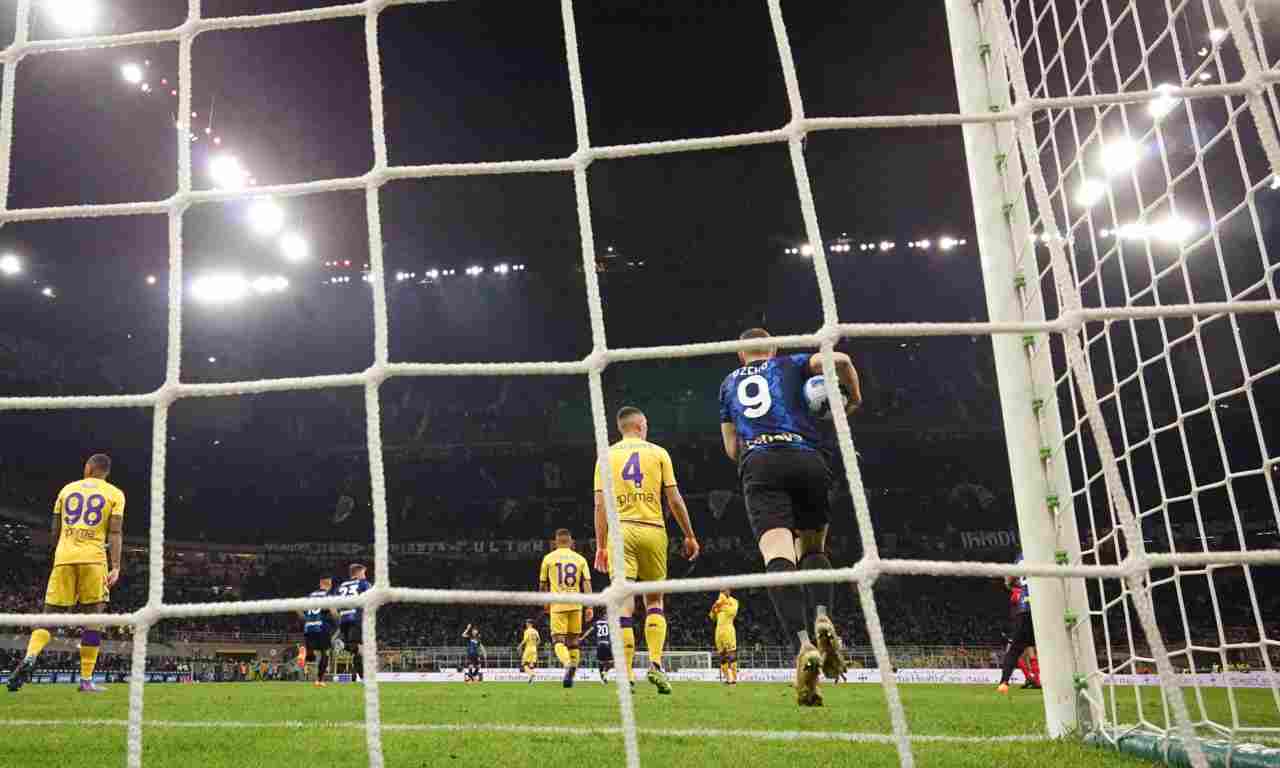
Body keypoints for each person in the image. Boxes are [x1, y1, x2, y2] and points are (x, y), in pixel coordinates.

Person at [718, 329, 861, 706]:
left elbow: (731, 447)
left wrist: (756, 457)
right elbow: (841, 361)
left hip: (760, 461)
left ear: (739, 354)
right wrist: (854, 398)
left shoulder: (728, 384)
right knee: (814, 548)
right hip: (807, 456)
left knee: (778, 556)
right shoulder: (791, 364)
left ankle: (802, 646)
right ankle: (822, 615)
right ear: (774, 348)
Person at [593, 406, 699, 695]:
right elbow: (675, 500)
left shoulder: (606, 456)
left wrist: (601, 545)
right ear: (641, 425)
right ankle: (655, 664)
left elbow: (600, 505)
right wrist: (689, 535)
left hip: (620, 531)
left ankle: (626, 674)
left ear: (621, 428)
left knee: (624, 603)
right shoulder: (659, 453)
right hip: (653, 530)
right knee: (655, 601)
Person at [8, 454, 124, 694]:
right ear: (106, 472)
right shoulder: (115, 493)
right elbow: (115, 532)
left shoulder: (67, 489)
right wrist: (116, 565)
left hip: (64, 558)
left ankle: (31, 656)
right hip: (93, 560)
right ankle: (85, 679)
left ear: (88, 468)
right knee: (94, 621)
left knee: (49, 617)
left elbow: (55, 529)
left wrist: (58, 554)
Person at [540, 529, 593, 688]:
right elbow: (587, 583)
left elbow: (543, 584)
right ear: (571, 542)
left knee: (558, 641)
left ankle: (567, 664)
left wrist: (545, 603)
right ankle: (572, 672)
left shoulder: (548, 558)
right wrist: (589, 606)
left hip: (558, 603)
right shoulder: (580, 559)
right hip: (576, 604)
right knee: (574, 643)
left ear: (556, 542)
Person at [998, 554, 1040, 693]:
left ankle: (1008, 681)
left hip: (1023, 614)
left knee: (1016, 651)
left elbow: (1009, 581)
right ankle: (1033, 678)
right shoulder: (1040, 553)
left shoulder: (1017, 592)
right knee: (1031, 651)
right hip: (1039, 608)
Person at [299, 576, 337, 688]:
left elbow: (297, 608)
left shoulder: (310, 595)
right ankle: (319, 681)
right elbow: (333, 612)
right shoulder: (329, 595)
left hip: (308, 627)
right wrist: (338, 620)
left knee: (312, 653)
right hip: (321, 627)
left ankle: (304, 653)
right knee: (325, 654)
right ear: (329, 584)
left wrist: (306, 619)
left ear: (320, 583)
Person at [336, 563, 372, 682]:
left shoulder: (342, 585)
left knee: (355, 649)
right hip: (356, 618)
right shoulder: (363, 583)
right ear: (358, 573)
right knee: (361, 649)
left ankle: (343, 645)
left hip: (343, 619)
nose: (365, 575)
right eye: (363, 573)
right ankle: (365, 678)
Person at [709, 589, 739, 685]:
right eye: (721, 590)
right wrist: (714, 609)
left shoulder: (733, 601)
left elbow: (733, 612)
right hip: (718, 631)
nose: (722, 592)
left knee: (731, 655)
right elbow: (712, 617)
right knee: (722, 656)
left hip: (728, 630)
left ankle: (734, 679)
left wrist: (723, 605)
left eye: (725, 590)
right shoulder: (718, 602)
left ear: (729, 591)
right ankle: (727, 679)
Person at [579, 610, 614, 683]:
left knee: (601, 662)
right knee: (611, 662)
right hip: (607, 644)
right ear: (605, 616)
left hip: (599, 644)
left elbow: (589, 631)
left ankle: (602, 678)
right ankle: (604, 673)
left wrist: (582, 638)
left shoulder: (596, 623)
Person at [518, 619, 540, 684]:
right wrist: (535, 645)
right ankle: (531, 681)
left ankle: (531, 674)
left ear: (530, 624)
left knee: (524, 664)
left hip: (528, 649)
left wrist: (520, 646)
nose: (526, 624)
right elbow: (539, 641)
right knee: (531, 665)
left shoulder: (527, 631)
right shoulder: (536, 631)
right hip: (534, 649)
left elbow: (525, 640)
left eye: (527, 623)